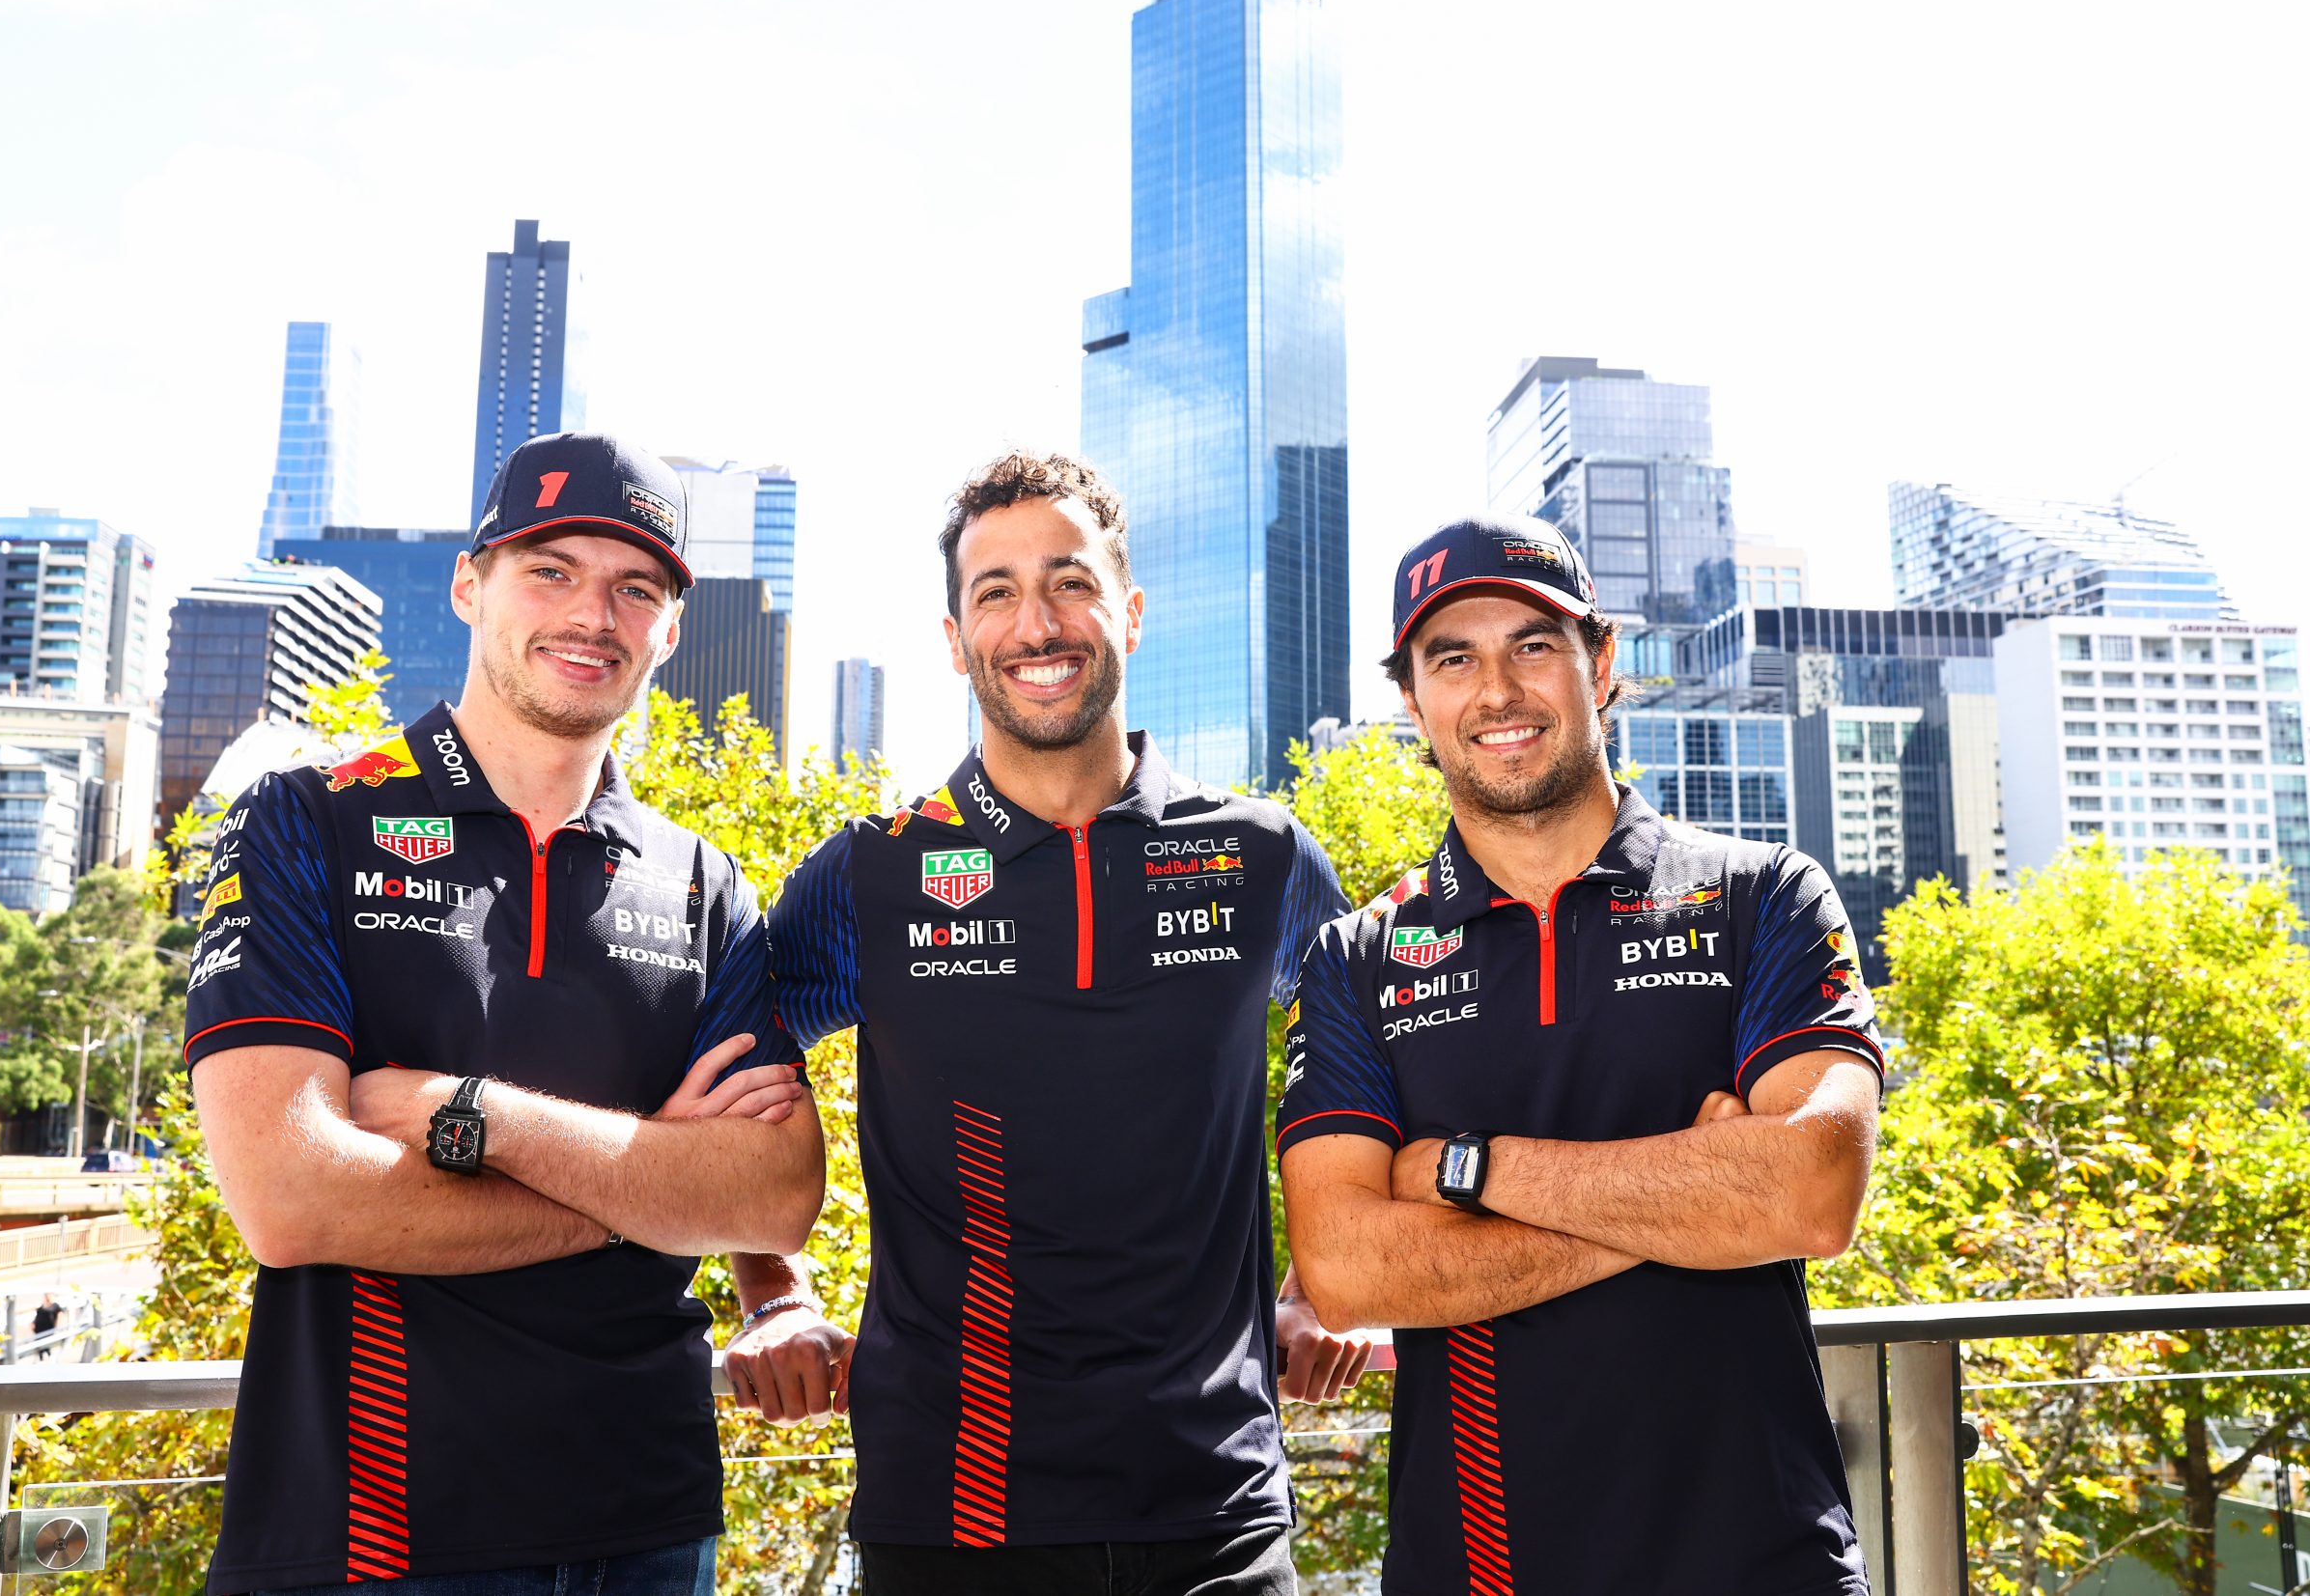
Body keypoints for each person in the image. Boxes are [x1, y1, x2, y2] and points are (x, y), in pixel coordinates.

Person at [186, 433, 823, 1596]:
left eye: (637, 588)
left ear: (669, 633)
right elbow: (289, 1198)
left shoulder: (702, 883)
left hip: (652, 1520)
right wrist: (658, 1185)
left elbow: (772, 1194)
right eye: (551, 570)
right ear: (470, 583)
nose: (594, 614)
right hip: (371, 1533)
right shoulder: (308, 822)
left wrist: (467, 1115)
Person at [734, 450, 1371, 1596]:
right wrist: (776, 1294)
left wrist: (1322, 1286)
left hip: (1219, 1508)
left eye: (1070, 581)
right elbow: (726, 1067)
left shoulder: (1261, 855)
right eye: (996, 592)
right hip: (949, 1512)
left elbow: (1382, 1066)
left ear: (1127, 609)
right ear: (954, 637)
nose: (1037, 623)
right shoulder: (867, 877)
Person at [1277, 515, 1884, 1596]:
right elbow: (1346, 1267)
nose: (1496, 690)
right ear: (1413, 704)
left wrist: (1466, 1169)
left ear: (1600, 666)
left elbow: (1810, 1193)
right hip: (1476, 1572)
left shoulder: (1763, 898)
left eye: (1533, 645)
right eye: (1452, 658)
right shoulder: (1358, 959)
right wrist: (1693, 1206)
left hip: (1765, 1564)